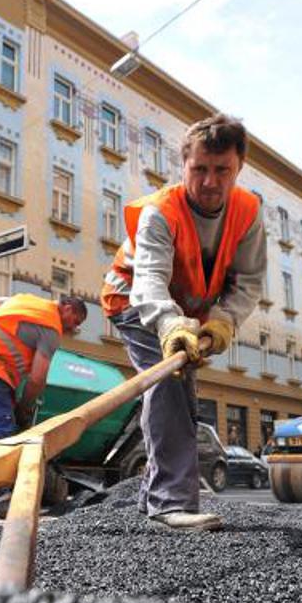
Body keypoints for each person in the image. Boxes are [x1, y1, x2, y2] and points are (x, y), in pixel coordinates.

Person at [101, 113, 266, 531]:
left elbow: (246, 281)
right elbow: (151, 281)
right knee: (170, 382)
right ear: (184, 166)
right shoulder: (161, 213)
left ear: (239, 167)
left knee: (180, 387)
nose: (210, 182)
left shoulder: (248, 213)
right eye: (200, 170)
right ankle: (169, 501)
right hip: (135, 300)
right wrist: (171, 326)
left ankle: (156, 494)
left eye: (222, 171)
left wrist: (223, 322)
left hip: (186, 311)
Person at [0, 293, 87, 518]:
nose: (74, 327)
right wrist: (25, 408)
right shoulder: (51, 328)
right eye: (76, 321)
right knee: (0, 432)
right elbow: (37, 379)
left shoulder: (26, 300)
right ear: (68, 309)